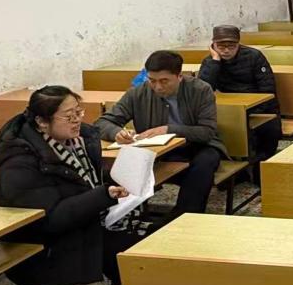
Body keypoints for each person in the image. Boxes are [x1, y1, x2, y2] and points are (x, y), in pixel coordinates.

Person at [0, 86, 140, 285]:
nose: (77, 120)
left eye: (79, 112)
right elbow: (48, 221)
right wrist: (103, 195)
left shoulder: (77, 142)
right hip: (48, 249)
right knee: (137, 255)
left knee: (151, 236)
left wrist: (116, 180)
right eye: (69, 116)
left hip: (81, 226)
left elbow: (81, 182)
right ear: (42, 122)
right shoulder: (20, 164)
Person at [96, 50, 225, 218]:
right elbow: (102, 123)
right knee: (112, 168)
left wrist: (168, 129)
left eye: (164, 81)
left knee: (205, 162)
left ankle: (184, 217)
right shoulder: (137, 93)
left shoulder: (200, 90)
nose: (158, 87)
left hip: (196, 147)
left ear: (179, 76)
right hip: (156, 151)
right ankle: (124, 217)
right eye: (152, 80)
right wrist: (116, 132)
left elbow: (207, 132)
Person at [197, 25, 281, 160]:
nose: (226, 50)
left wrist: (249, 111)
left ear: (238, 44)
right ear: (213, 46)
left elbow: (268, 89)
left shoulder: (254, 56)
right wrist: (215, 61)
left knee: (267, 131)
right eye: (221, 46)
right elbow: (203, 91)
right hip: (230, 109)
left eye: (231, 46)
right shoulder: (210, 61)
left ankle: (258, 166)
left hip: (259, 108)